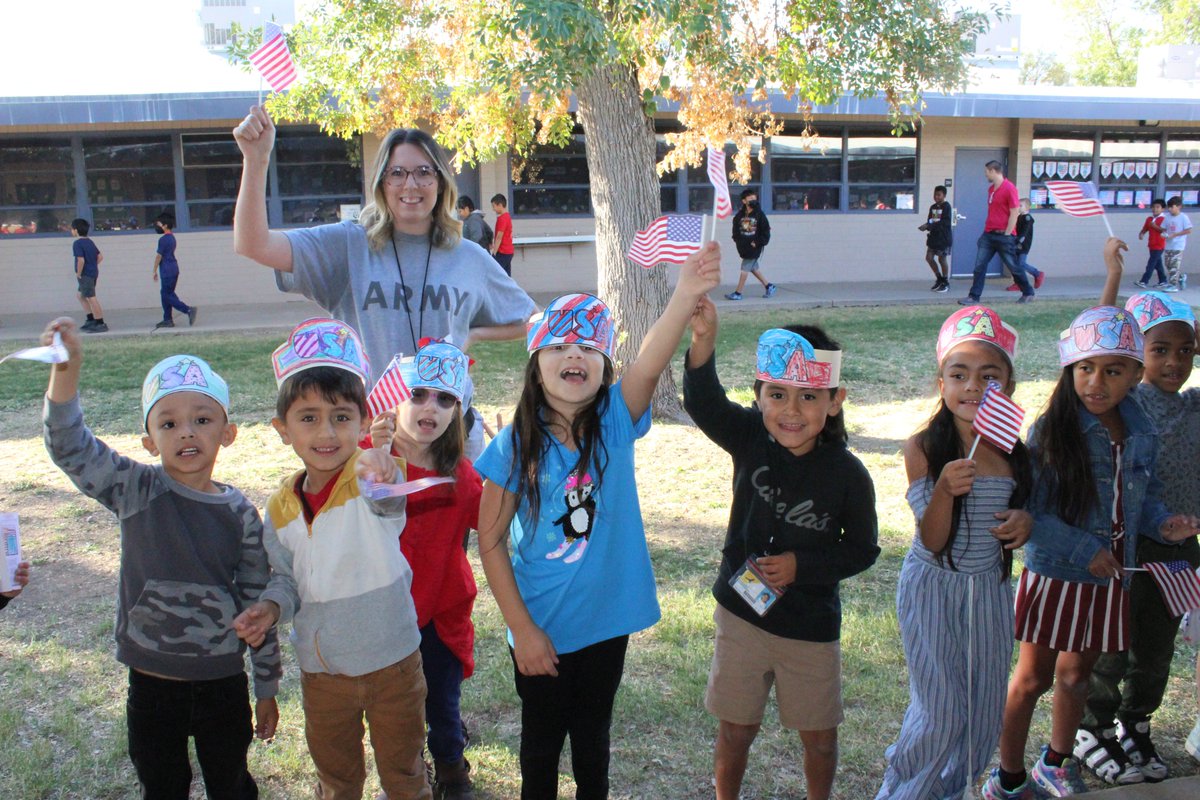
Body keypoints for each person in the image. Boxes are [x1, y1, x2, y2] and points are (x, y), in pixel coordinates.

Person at [474, 243, 721, 798]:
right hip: (540, 626)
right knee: (539, 750)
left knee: (592, 744)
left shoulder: (614, 417)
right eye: (558, 345)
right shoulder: (514, 445)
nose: (574, 356)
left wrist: (684, 293)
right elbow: (490, 543)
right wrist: (523, 630)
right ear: (536, 365)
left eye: (588, 346)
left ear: (604, 364)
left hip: (605, 625)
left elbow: (653, 356)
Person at [42, 320, 280, 798]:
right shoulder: (136, 490)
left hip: (222, 685)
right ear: (150, 441)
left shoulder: (241, 514)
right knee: (162, 787)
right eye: (168, 423)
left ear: (228, 432)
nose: (186, 432)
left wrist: (266, 686)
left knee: (231, 785)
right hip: (151, 686)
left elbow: (258, 604)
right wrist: (66, 373)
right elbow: (69, 447)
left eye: (202, 419)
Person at [980, 306, 1200, 799]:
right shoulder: (1054, 430)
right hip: (1058, 574)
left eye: (1113, 370)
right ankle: (1008, 776)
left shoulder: (1139, 425)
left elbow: (1143, 495)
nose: (1096, 382)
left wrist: (1164, 521)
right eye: (1086, 369)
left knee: (1078, 675)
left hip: (1109, 577)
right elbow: (1034, 516)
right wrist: (1086, 549)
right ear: (1070, 370)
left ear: (1135, 376)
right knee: (1032, 678)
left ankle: (1056, 762)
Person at [232, 107, 535, 462]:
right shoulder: (348, 247)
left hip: (451, 434)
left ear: (440, 182)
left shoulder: (468, 257)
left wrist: (474, 335)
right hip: (377, 439)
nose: (411, 185)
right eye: (397, 173)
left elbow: (531, 320)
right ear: (381, 183)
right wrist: (256, 159)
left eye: (424, 172)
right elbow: (253, 244)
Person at [684, 310, 880, 800]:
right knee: (735, 730)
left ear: (835, 401)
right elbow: (704, 403)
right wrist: (704, 341)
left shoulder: (849, 475)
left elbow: (862, 549)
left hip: (810, 629)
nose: (791, 410)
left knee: (819, 740)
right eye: (777, 394)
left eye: (809, 396)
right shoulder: (751, 437)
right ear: (758, 396)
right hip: (742, 619)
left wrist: (802, 567)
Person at [233, 317, 432, 800]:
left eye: (342, 417)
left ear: (364, 422)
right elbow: (284, 578)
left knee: (405, 774)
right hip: (323, 675)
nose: (326, 432)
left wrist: (380, 466)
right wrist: (271, 607)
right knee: (337, 778)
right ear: (282, 429)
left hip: (394, 664)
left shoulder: (373, 476)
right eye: (308, 417)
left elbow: (388, 499)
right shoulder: (279, 507)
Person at [876, 306, 1032, 800]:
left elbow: (1028, 517)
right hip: (934, 590)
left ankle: (951, 790)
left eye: (990, 376)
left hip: (987, 590)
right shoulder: (923, 447)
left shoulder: (1012, 451)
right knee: (940, 712)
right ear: (940, 382)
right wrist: (944, 490)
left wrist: (1026, 521)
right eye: (959, 374)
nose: (973, 387)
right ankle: (904, 792)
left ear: (1008, 385)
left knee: (983, 712)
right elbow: (933, 540)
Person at [1083, 244, 1200, 784]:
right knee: (1114, 645)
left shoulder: (1194, 405)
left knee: (1156, 649)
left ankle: (1136, 723)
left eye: (1186, 350)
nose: (1174, 362)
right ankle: (1093, 728)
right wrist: (1113, 276)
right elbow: (1100, 336)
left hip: (1180, 550)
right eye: (1160, 350)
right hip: (1130, 547)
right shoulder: (1128, 399)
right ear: (1137, 356)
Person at [369, 340, 482, 800]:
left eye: (445, 398)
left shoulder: (465, 478)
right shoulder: (364, 460)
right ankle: (404, 776)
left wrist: (512, 475)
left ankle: (453, 769)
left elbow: (497, 527)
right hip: (379, 611)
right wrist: (370, 458)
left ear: (459, 411)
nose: (428, 407)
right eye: (417, 393)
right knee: (390, 708)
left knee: (442, 703)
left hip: (440, 611)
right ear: (393, 398)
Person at [960, 161, 1034, 306]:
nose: (985, 174)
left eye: (987, 171)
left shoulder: (1009, 188)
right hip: (989, 234)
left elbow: (1014, 212)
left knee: (1013, 266)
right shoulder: (991, 189)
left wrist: (1007, 234)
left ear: (994, 171)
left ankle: (1028, 292)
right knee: (979, 266)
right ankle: (974, 297)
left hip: (1004, 236)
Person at [727, 189, 776, 300]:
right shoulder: (740, 215)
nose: (753, 200)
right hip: (744, 247)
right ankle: (769, 286)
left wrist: (757, 242)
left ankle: (738, 293)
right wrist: (736, 239)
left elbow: (766, 231)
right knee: (753, 268)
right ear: (744, 201)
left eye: (755, 198)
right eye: (750, 198)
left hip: (755, 247)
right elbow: (736, 228)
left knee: (745, 269)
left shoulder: (760, 215)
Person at [152, 213, 198, 330]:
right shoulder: (172, 238)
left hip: (167, 271)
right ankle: (167, 319)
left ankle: (188, 310)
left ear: (165, 225)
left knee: (166, 295)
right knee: (167, 294)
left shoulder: (163, 240)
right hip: (173, 269)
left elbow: (159, 256)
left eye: (159, 224)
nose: (157, 226)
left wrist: (154, 270)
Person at [70, 218, 107, 333]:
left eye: (72, 229)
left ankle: (100, 322)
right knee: (80, 295)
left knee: (91, 297)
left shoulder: (77, 243)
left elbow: (80, 260)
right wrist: (92, 264)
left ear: (76, 230)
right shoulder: (90, 242)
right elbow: (100, 257)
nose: (71, 231)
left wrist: (79, 273)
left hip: (85, 274)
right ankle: (90, 319)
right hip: (92, 272)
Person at [917, 185, 952, 292]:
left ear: (944, 195)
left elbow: (945, 222)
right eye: (935, 194)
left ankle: (945, 281)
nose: (936, 197)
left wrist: (932, 225)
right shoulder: (933, 207)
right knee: (929, 258)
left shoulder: (946, 206)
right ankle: (939, 278)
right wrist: (926, 226)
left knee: (942, 259)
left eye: (939, 195)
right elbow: (931, 220)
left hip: (943, 237)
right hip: (933, 237)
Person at [1007, 198, 1046, 292]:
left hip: (1023, 245)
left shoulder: (1028, 218)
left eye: (1021, 206)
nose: (1018, 207)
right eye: (1018, 205)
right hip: (1016, 244)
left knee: (1021, 263)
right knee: (1015, 264)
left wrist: (1018, 242)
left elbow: (1024, 234)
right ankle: (1018, 283)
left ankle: (1037, 274)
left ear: (1027, 207)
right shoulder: (1019, 217)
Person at [1136, 199, 1169, 289]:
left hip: (1159, 245)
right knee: (1158, 264)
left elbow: (1165, 230)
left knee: (1151, 263)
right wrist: (1141, 233)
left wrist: (1155, 226)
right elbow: (1145, 228)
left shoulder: (1164, 219)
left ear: (1162, 209)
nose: (1155, 209)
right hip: (1151, 244)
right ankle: (1163, 281)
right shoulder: (1149, 219)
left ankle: (1144, 281)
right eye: (1153, 207)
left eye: (1158, 207)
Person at [1161, 195, 1192, 291]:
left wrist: (1175, 235)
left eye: (1172, 207)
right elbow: (1163, 228)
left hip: (1178, 245)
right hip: (1169, 244)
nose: (1170, 209)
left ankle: (1173, 285)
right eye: (1169, 207)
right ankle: (1181, 277)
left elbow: (1188, 230)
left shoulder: (1183, 217)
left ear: (1178, 206)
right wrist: (1164, 234)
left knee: (1174, 265)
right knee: (1168, 264)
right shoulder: (1167, 217)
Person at [489, 193, 514, 276]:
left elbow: (499, 237)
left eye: (494, 206)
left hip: (503, 252)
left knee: (496, 274)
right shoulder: (507, 216)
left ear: (500, 205)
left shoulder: (502, 219)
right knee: (506, 276)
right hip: (509, 251)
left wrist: (494, 252)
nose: (493, 209)